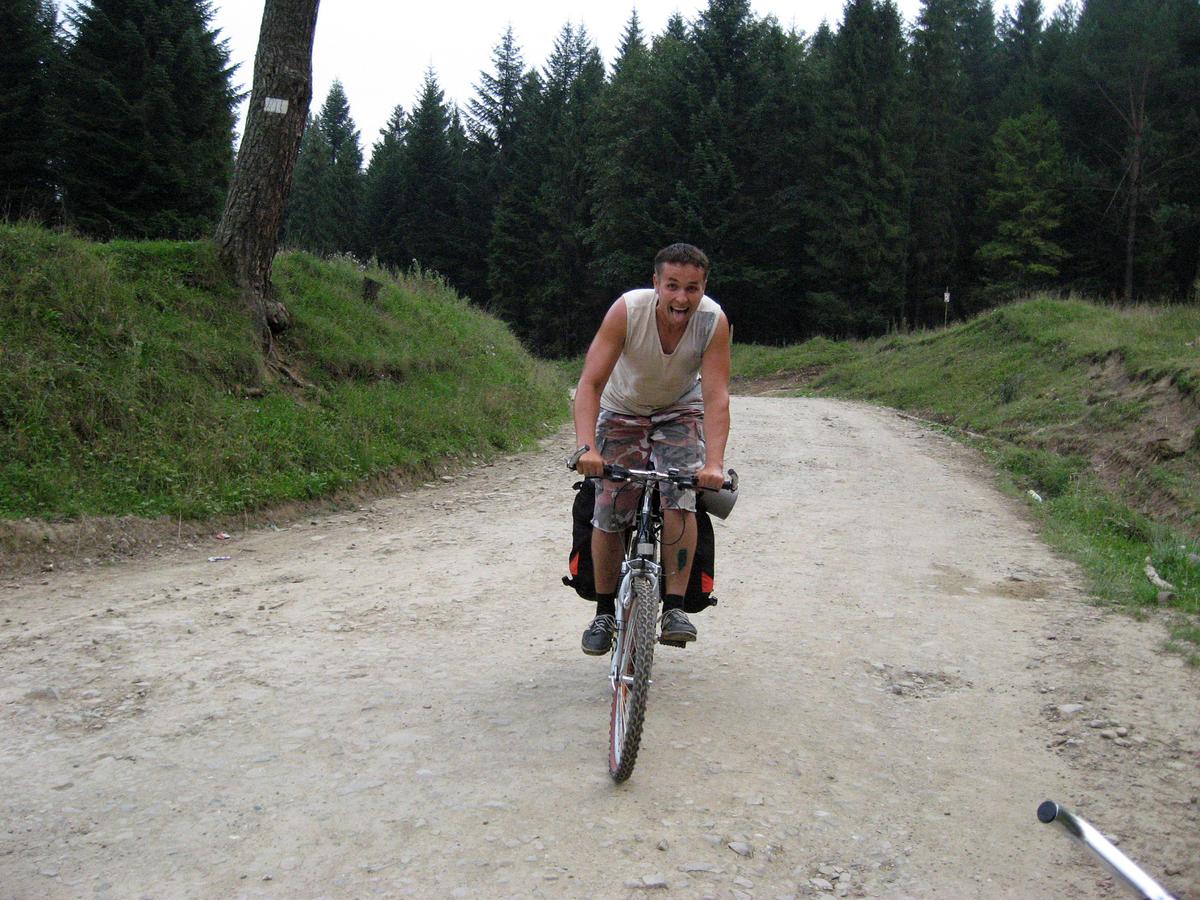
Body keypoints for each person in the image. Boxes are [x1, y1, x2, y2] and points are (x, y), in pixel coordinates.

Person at [572, 243, 732, 655]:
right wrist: (587, 448)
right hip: (622, 411)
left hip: (679, 411)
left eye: (692, 288)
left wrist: (714, 464)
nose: (682, 298)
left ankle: (674, 608)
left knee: (681, 498)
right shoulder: (628, 311)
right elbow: (590, 383)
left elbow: (716, 396)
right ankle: (604, 612)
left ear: (704, 288)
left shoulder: (712, 321)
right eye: (672, 286)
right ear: (656, 283)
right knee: (609, 505)